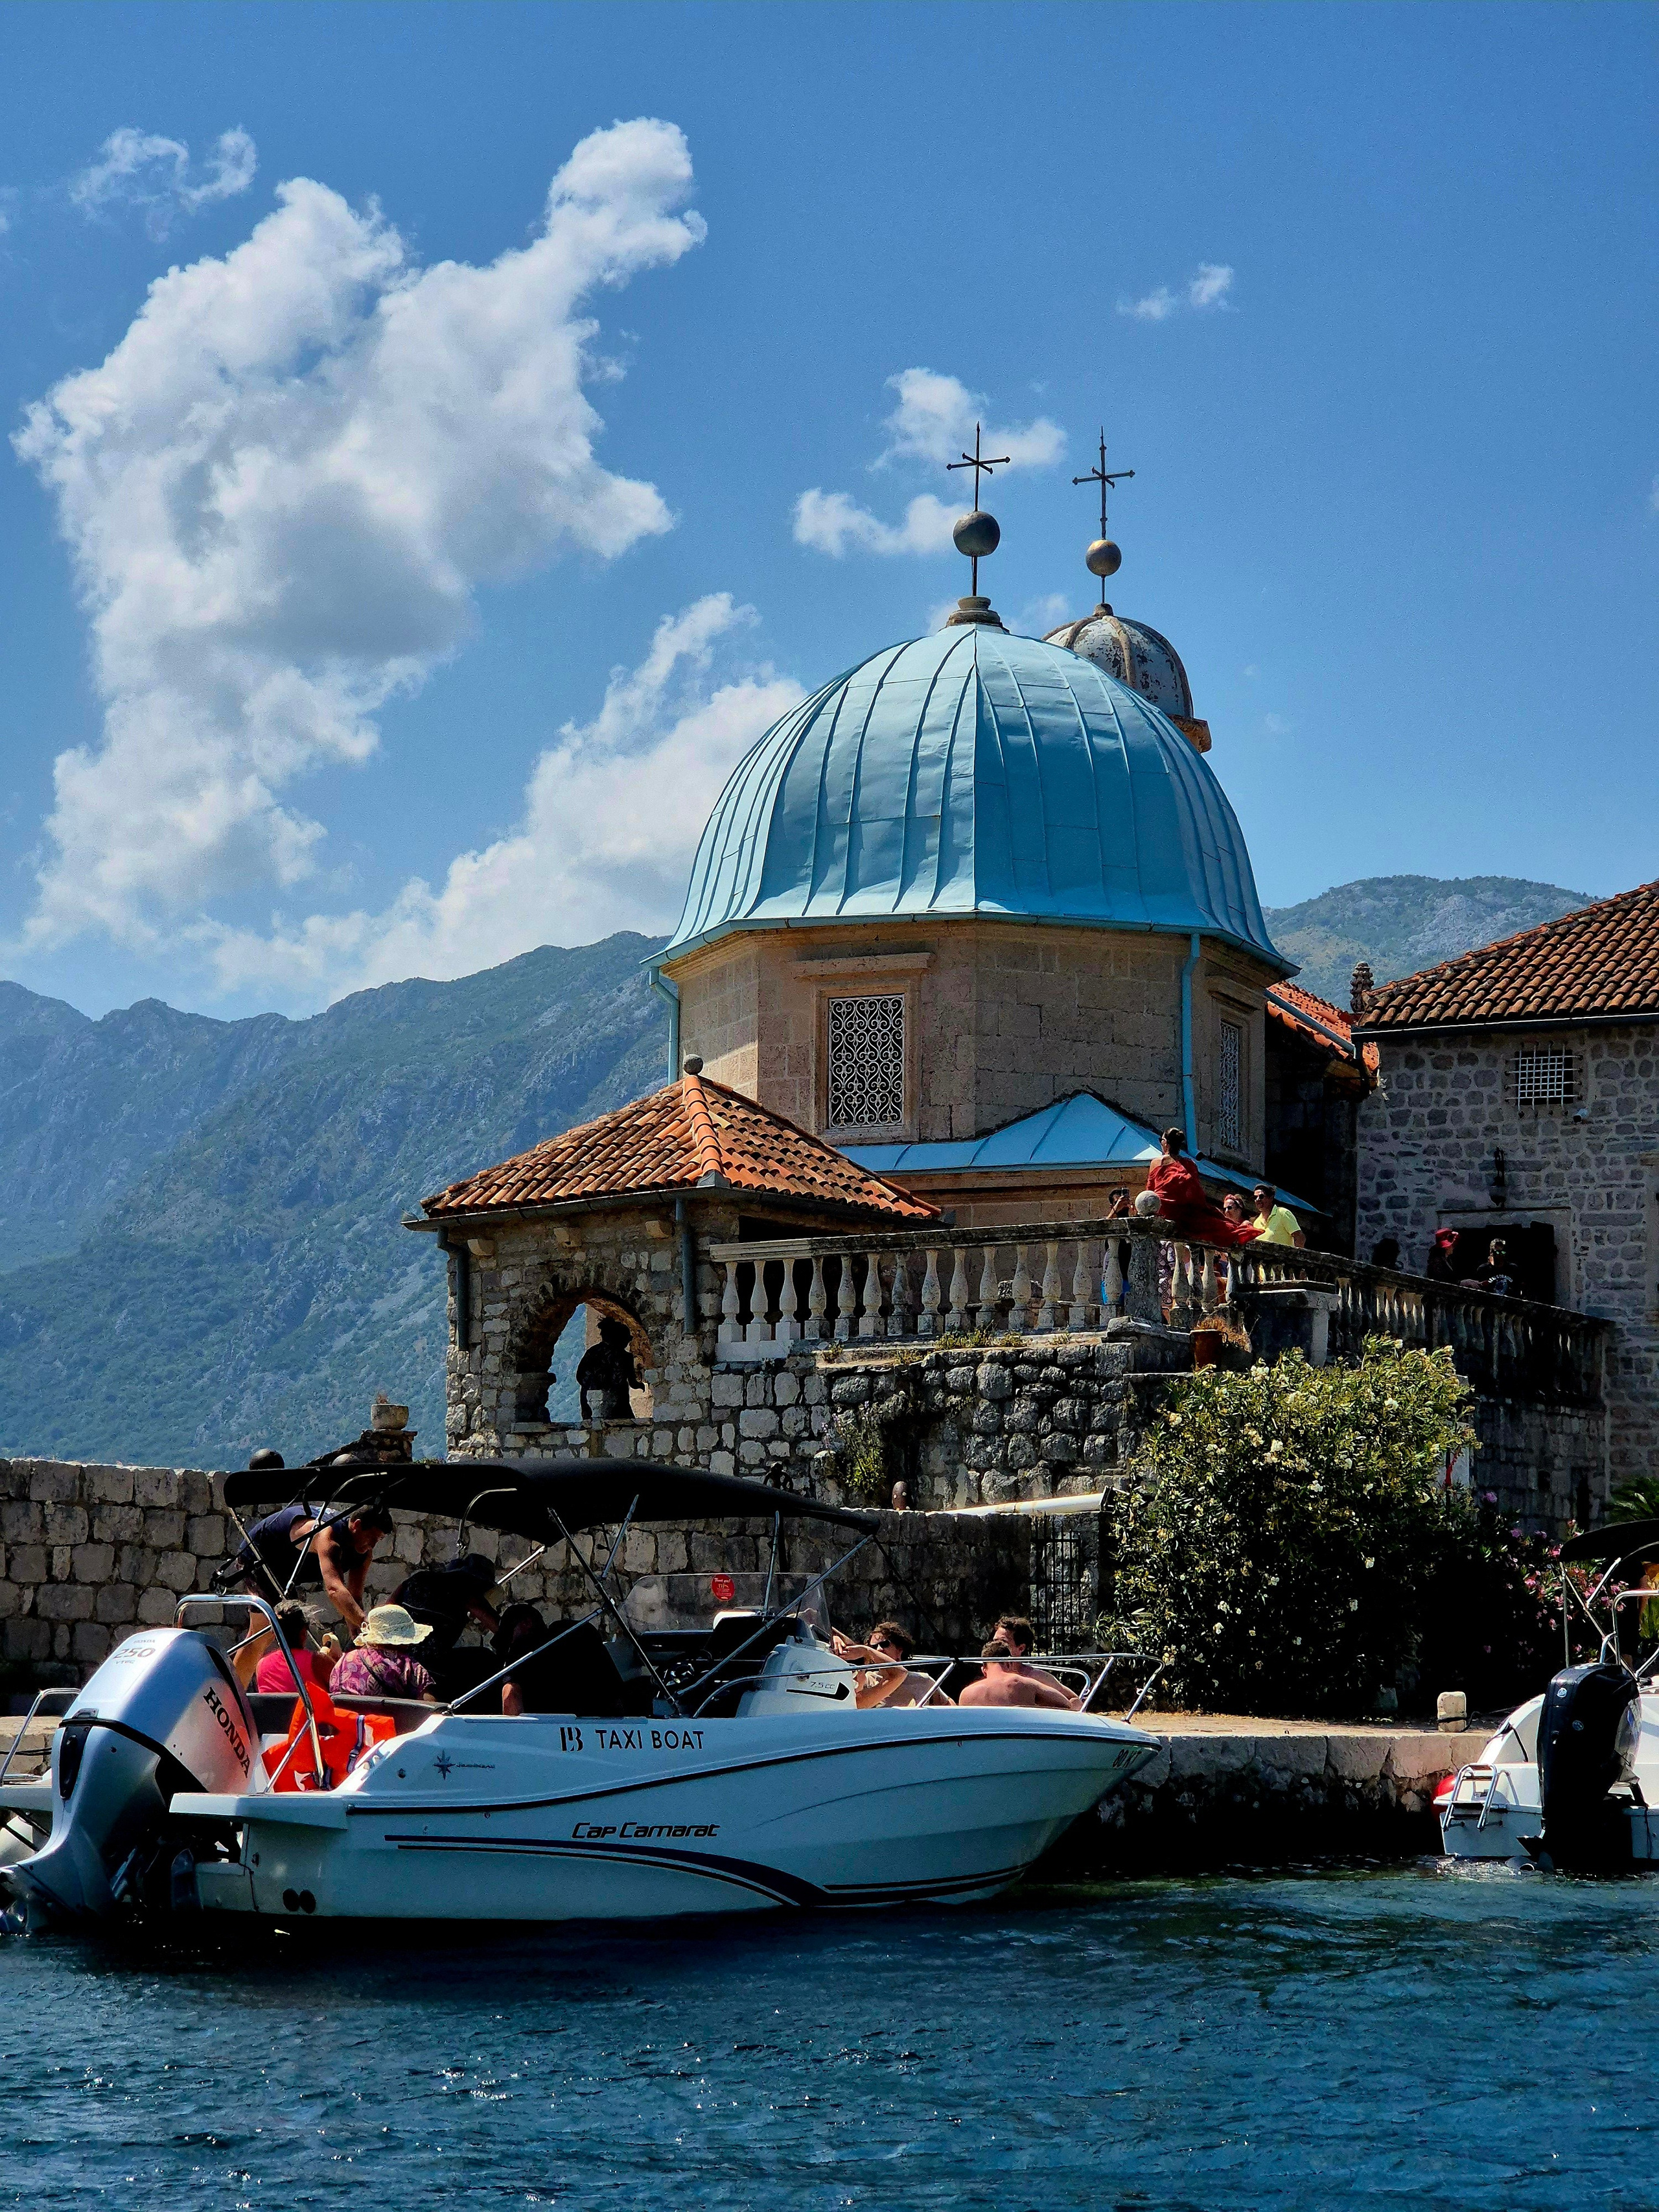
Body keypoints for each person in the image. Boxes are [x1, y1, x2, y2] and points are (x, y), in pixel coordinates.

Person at [222, 1499, 394, 1635]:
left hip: (287, 1569)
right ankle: (233, 1679)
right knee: (265, 1629)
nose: (372, 1545)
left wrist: (356, 1626)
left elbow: (354, 1597)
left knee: (295, 1630)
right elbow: (334, 1589)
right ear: (356, 1525)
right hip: (260, 1557)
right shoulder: (327, 1535)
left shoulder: (364, 1553)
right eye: (371, 1538)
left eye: (377, 1540)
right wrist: (365, 1623)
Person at [1144, 1129, 1254, 1247]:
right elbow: (1196, 1194)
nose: (1161, 1143)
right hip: (1184, 1212)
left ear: (1166, 1143)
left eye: (1161, 1140)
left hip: (1164, 1210)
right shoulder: (1189, 1164)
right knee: (1217, 1221)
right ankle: (1242, 1227)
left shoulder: (1157, 1162)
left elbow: (1149, 1192)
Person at [391, 1554, 500, 1662]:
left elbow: (388, 1606)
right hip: (427, 1661)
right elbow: (498, 1628)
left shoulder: (418, 1578)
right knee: (487, 1658)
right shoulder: (467, 1594)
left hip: (396, 1652)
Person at [327, 1604, 438, 1702]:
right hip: (387, 1724)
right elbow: (429, 1708)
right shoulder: (410, 1666)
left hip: (348, 1723)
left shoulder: (343, 1661)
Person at [831, 1622, 947, 1708]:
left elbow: (949, 1708)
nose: (878, 1650)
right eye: (873, 1647)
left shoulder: (924, 1681)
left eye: (884, 1644)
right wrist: (835, 1638)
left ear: (900, 1651)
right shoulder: (866, 1681)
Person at [993, 1614, 1082, 1710]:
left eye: (1003, 1642)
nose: (995, 1646)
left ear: (1021, 1648)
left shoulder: (1037, 1677)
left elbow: (1076, 1701)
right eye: (994, 1641)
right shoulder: (987, 1673)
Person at [252, 1601, 340, 1695]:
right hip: (309, 1709)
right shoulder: (319, 1662)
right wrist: (338, 1660)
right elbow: (342, 1688)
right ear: (303, 1633)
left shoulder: (261, 1664)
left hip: (276, 1710)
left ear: (275, 1634)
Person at [958, 1642, 1078, 1710]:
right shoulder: (1023, 1683)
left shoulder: (966, 1694)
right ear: (1009, 1663)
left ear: (984, 1670)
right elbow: (1065, 1704)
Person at [1249, 1183, 1306, 1249]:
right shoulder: (1256, 1222)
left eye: (1261, 1196)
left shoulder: (1283, 1213)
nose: (1258, 1199)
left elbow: (1300, 1237)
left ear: (1271, 1198)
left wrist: (1296, 1257)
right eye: (1255, 1197)